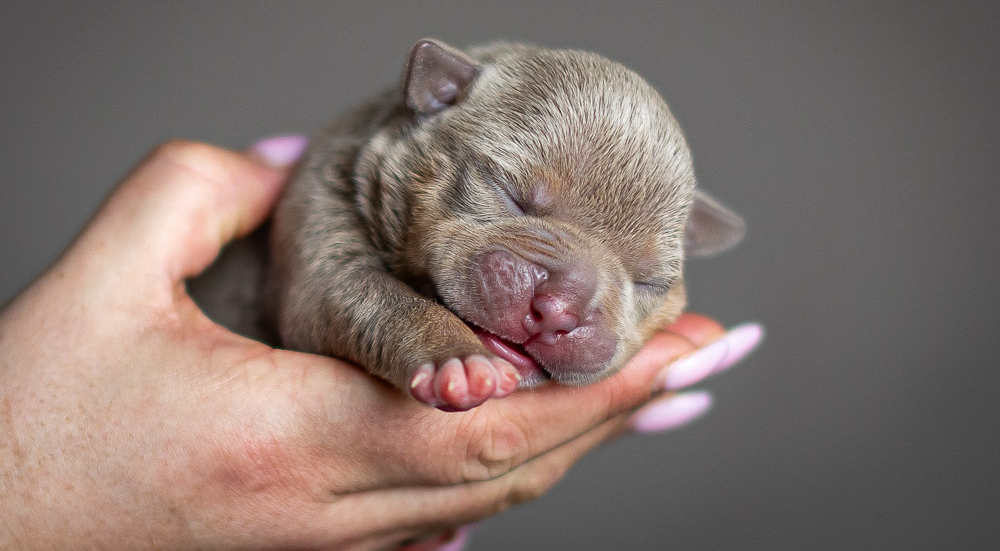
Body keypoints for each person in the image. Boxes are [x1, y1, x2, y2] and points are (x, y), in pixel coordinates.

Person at [0, 136, 762, 549]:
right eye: (514, 198)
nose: (563, 304)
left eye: (642, 277)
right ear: (437, 95)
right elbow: (324, 295)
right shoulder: (341, 176)